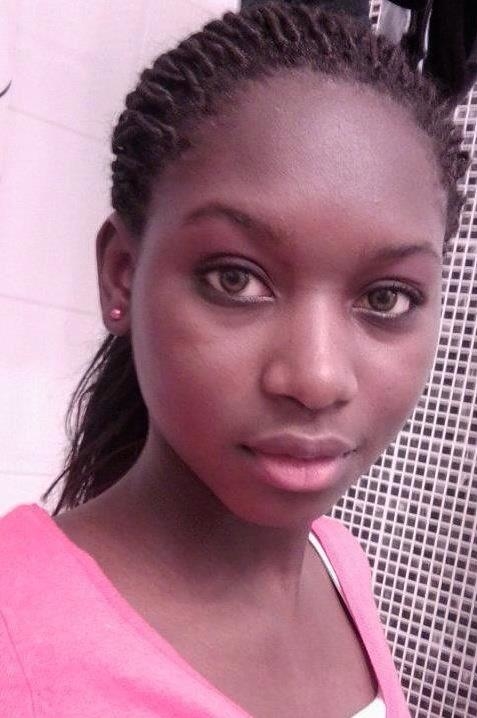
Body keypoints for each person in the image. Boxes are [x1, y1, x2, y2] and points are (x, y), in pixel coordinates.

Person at [0, 2, 470, 717]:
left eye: (386, 297)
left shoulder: (337, 562)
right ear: (122, 275)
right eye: (235, 280)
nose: (316, 379)